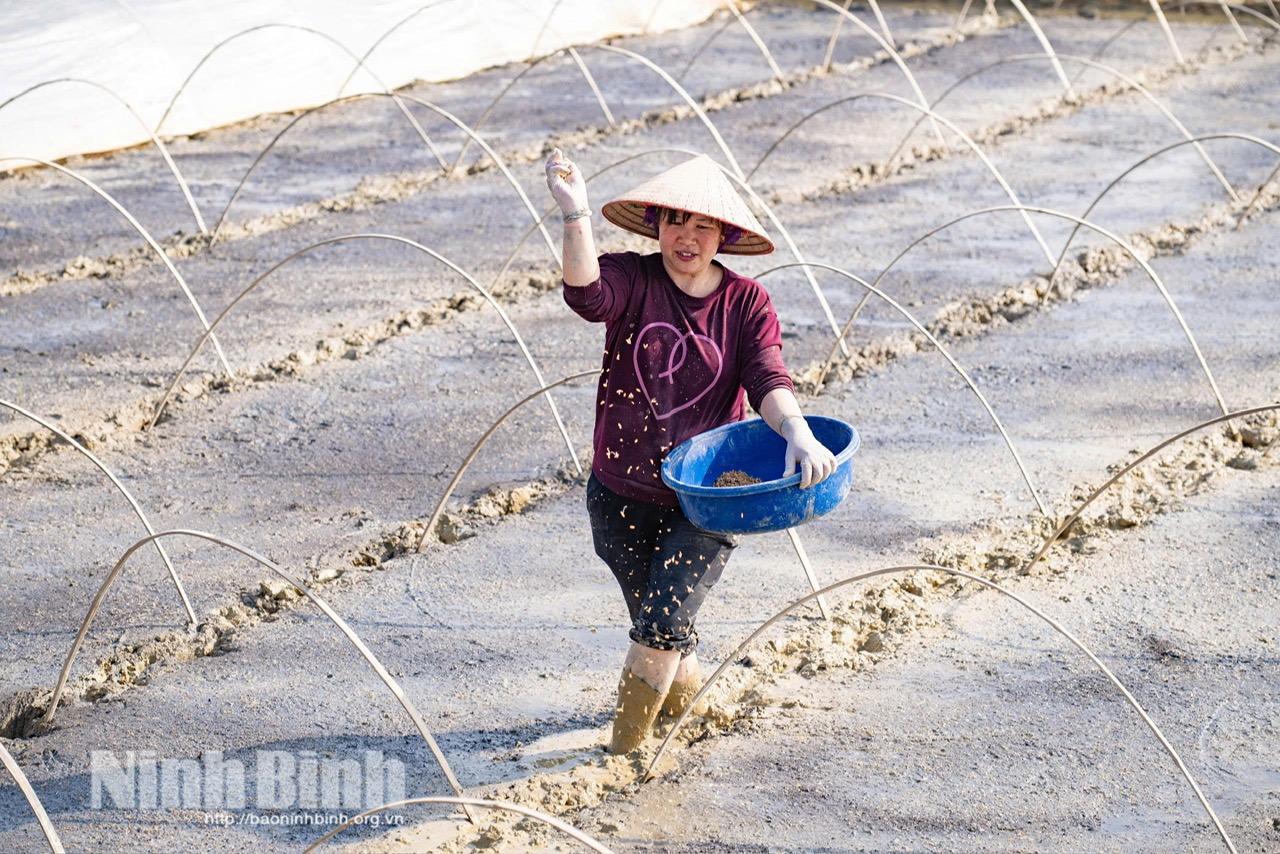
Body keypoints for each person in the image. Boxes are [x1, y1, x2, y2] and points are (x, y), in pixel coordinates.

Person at [544, 148, 838, 754]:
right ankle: (692, 719)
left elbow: (767, 378)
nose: (688, 237)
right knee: (666, 623)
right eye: (676, 222)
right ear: (656, 226)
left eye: (704, 225)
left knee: (659, 625)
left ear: (724, 235)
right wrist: (575, 216)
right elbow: (586, 296)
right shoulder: (633, 279)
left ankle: (623, 756)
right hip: (619, 493)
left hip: (705, 500)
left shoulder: (745, 303)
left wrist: (798, 431)